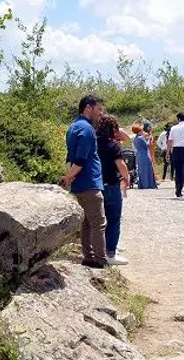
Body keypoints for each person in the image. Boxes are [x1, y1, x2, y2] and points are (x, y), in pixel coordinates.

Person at [61, 94, 108, 269]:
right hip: (90, 182)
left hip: (80, 184)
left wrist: (70, 177)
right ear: (88, 107)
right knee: (99, 223)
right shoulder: (87, 129)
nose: (100, 113)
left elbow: (71, 157)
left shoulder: (73, 127)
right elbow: (81, 159)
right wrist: (68, 177)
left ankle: (88, 257)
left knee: (87, 223)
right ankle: (100, 261)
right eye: (98, 109)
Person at [96, 115, 129, 266]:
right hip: (111, 185)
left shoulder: (93, 143)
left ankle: (99, 250)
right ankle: (110, 252)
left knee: (97, 221)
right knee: (114, 220)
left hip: (95, 186)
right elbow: (121, 164)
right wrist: (126, 178)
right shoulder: (112, 145)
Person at [133, 121, 158, 189]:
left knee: (142, 170)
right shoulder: (141, 138)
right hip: (145, 154)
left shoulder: (135, 138)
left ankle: (143, 184)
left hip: (139, 155)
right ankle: (148, 184)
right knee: (148, 169)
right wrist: (150, 139)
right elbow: (147, 145)